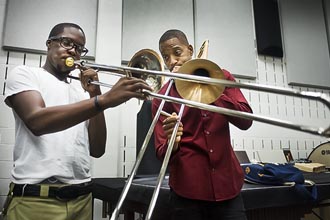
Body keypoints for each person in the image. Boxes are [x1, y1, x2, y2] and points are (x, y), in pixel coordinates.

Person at [2, 22, 152, 220]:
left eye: (80, 48)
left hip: (82, 199)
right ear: (49, 44)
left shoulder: (83, 93)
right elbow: (36, 121)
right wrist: (103, 100)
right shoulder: (26, 74)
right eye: (67, 43)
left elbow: (97, 149)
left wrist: (95, 94)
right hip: (37, 200)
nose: (73, 51)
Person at [152, 29, 253, 220]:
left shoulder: (221, 77)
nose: (172, 61)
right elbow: (160, 153)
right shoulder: (162, 97)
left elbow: (246, 120)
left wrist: (212, 89)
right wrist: (173, 141)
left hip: (227, 188)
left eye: (177, 52)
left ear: (190, 50)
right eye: (166, 57)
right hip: (187, 193)